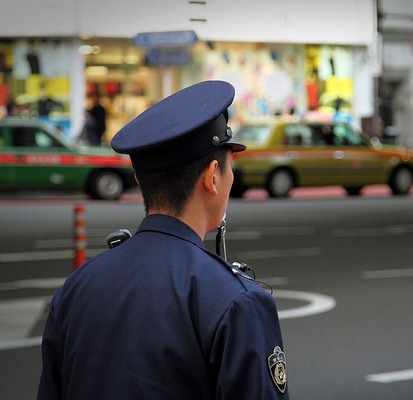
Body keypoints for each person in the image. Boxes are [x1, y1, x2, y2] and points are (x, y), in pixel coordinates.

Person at [37, 81, 289, 400]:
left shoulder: (77, 287)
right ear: (213, 177)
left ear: (141, 179)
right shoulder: (236, 300)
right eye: (229, 169)